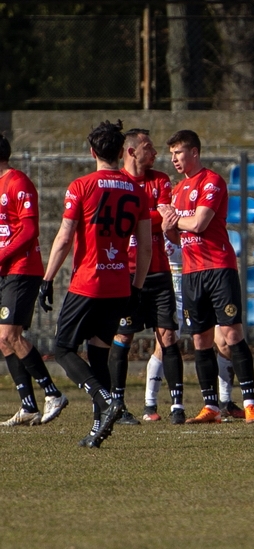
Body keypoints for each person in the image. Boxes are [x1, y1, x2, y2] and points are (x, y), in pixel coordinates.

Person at [40, 120, 152, 447]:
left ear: (92, 152)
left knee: (62, 348)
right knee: (98, 354)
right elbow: (145, 246)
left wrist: (47, 279)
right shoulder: (137, 190)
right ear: (121, 152)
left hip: (89, 282)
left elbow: (63, 239)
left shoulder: (81, 186)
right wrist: (138, 287)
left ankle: (106, 401)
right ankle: (97, 429)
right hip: (120, 284)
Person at [159, 130, 254, 424]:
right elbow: (178, 237)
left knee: (231, 335)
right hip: (191, 272)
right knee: (200, 341)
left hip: (218, 267)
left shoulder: (211, 181)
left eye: (178, 152)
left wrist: (175, 220)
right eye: (172, 154)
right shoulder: (177, 190)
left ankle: (250, 403)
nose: (174, 159)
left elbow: (201, 223)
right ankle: (211, 407)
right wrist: (168, 227)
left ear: (194, 152)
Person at [108, 128, 185, 425]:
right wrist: (151, 217)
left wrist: (142, 219)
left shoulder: (161, 180)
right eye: (148, 147)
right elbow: (123, 223)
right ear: (131, 152)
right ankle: (118, 404)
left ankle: (177, 405)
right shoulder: (117, 183)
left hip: (158, 271)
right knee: (122, 336)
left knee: (167, 335)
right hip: (124, 273)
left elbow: (169, 217)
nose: (154, 153)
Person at [0, 134, 69, 427]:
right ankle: (28, 406)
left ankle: (53, 393)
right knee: (3, 340)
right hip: (5, 270)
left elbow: (29, 231)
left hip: (22, 269)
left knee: (9, 336)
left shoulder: (17, 182)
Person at [142, 240, 243, 421]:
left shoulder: (194, 219)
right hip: (173, 290)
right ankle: (150, 404)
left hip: (202, 284)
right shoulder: (162, 219)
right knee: (164, 345)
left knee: (225, 344)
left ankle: (225, 402)